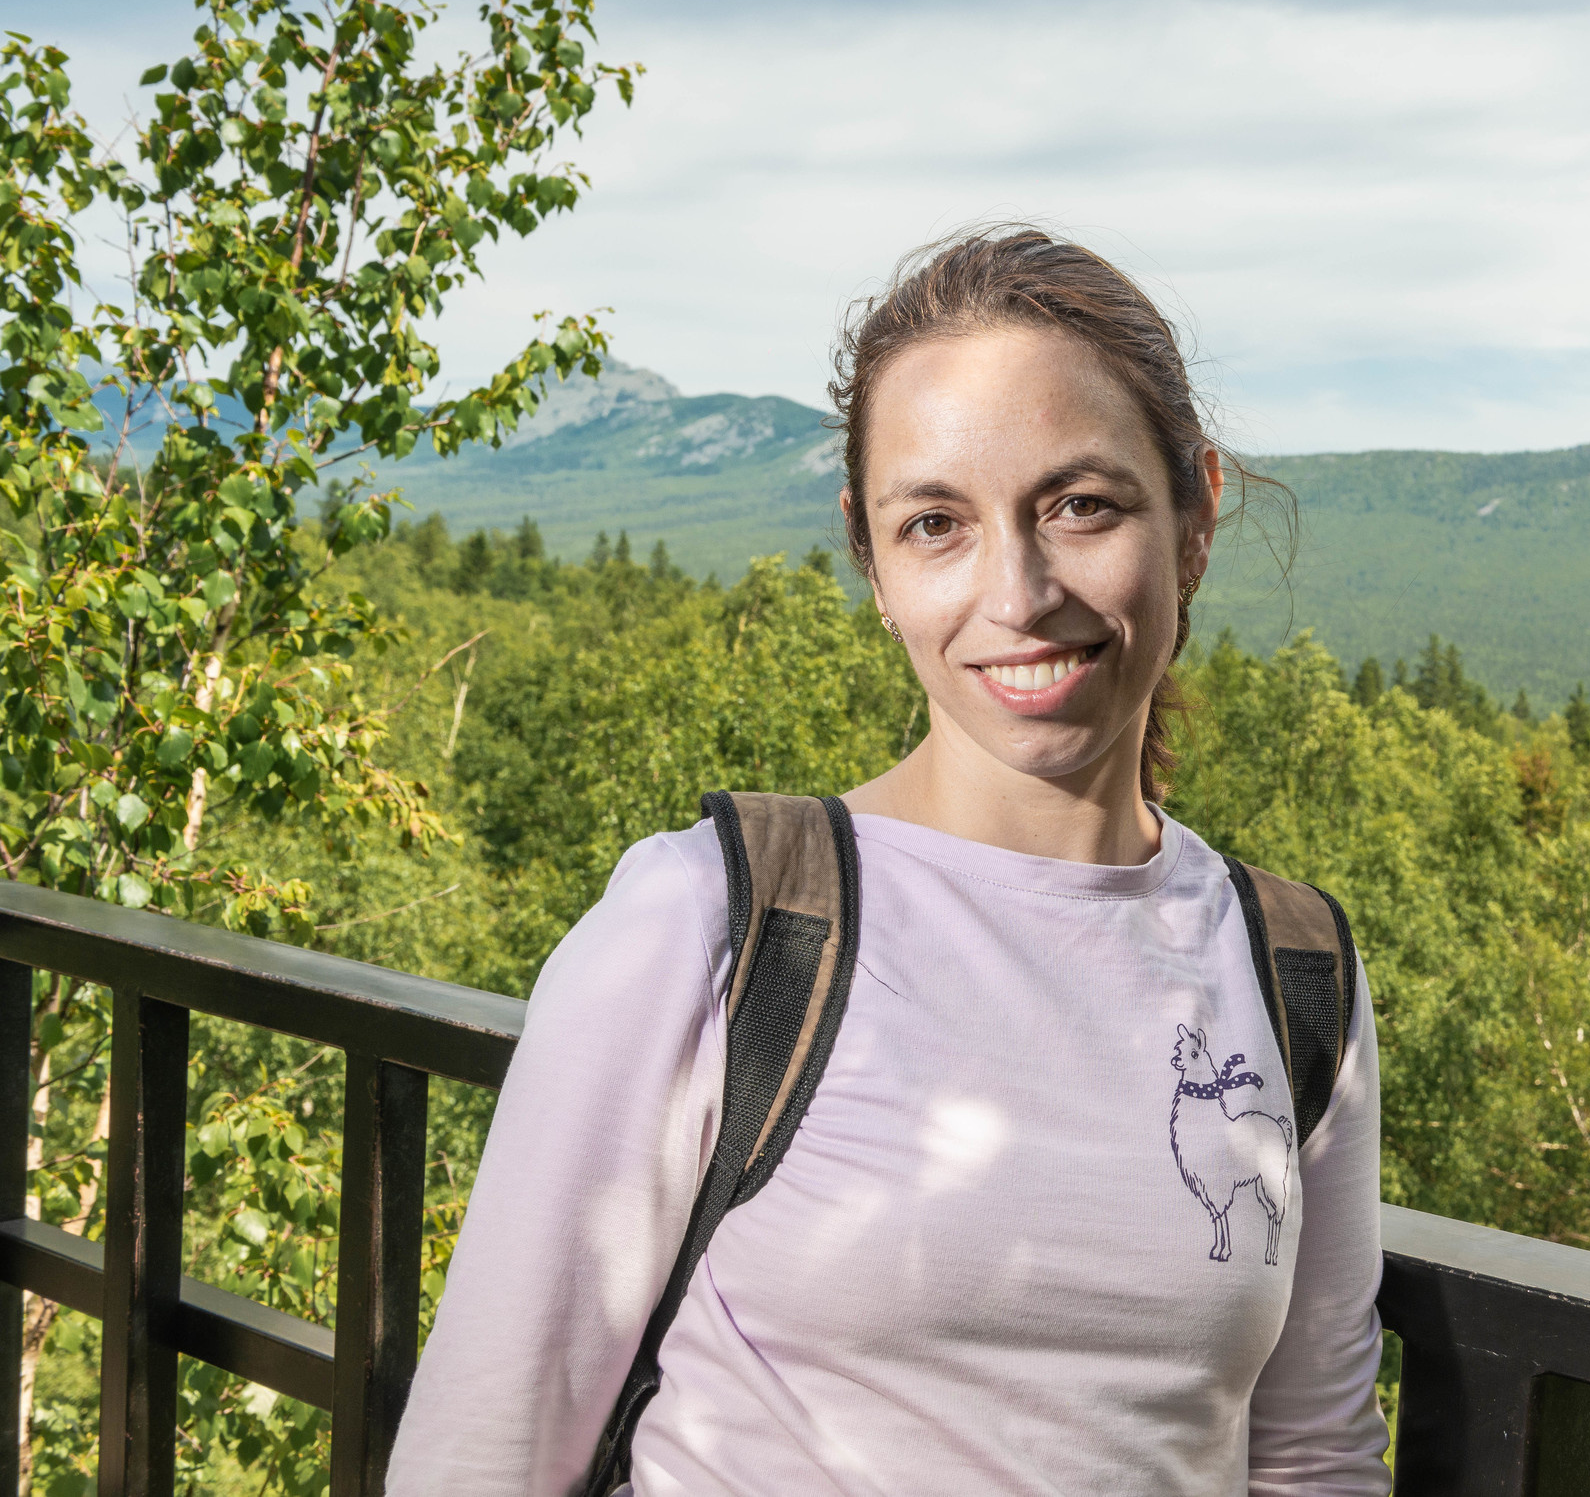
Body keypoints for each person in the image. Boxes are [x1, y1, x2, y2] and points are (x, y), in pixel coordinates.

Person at [387, 229, 1391, 1495]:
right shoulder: (719, 923)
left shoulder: (1292, 968)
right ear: (872, 562)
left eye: (1080, 504)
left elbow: (1313, 1456)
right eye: (936, 524)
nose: (1016, 593)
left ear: (1193, 518)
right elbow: (480, 1458)